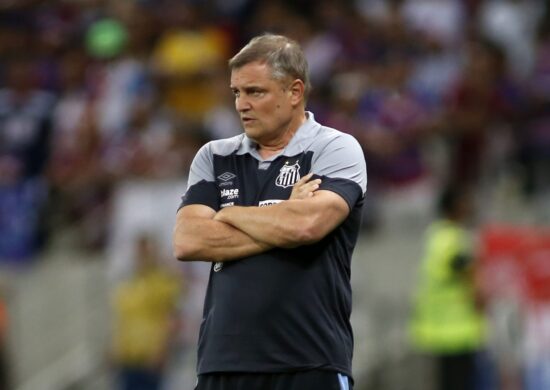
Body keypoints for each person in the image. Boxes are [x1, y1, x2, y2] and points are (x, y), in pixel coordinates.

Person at [172, 34, 367, 390]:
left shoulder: (335, 148)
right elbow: (188, 240)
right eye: (236, 93)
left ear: (294, 92)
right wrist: (282, 213)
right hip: (223, 362)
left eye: (255, 92)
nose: (241, 105)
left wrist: (226, 213)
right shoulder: (214, 157)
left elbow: (307, 226)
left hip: (309, 360)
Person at [409, 185, 487, 390]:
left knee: (446, 381)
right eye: (464, 202)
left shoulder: (435, 234)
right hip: (457, 328)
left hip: (439, 326)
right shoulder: (454, 238)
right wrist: (480, 296)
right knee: (459, 382)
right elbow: (465, 269)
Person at [110, 234, 182, 390]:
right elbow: (123, 321)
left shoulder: (163, 283)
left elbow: (172, 320)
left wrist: (164, 350)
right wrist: (115, 348)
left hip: (151, 359)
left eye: (146, 252)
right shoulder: (129, 285)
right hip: (127, 359)